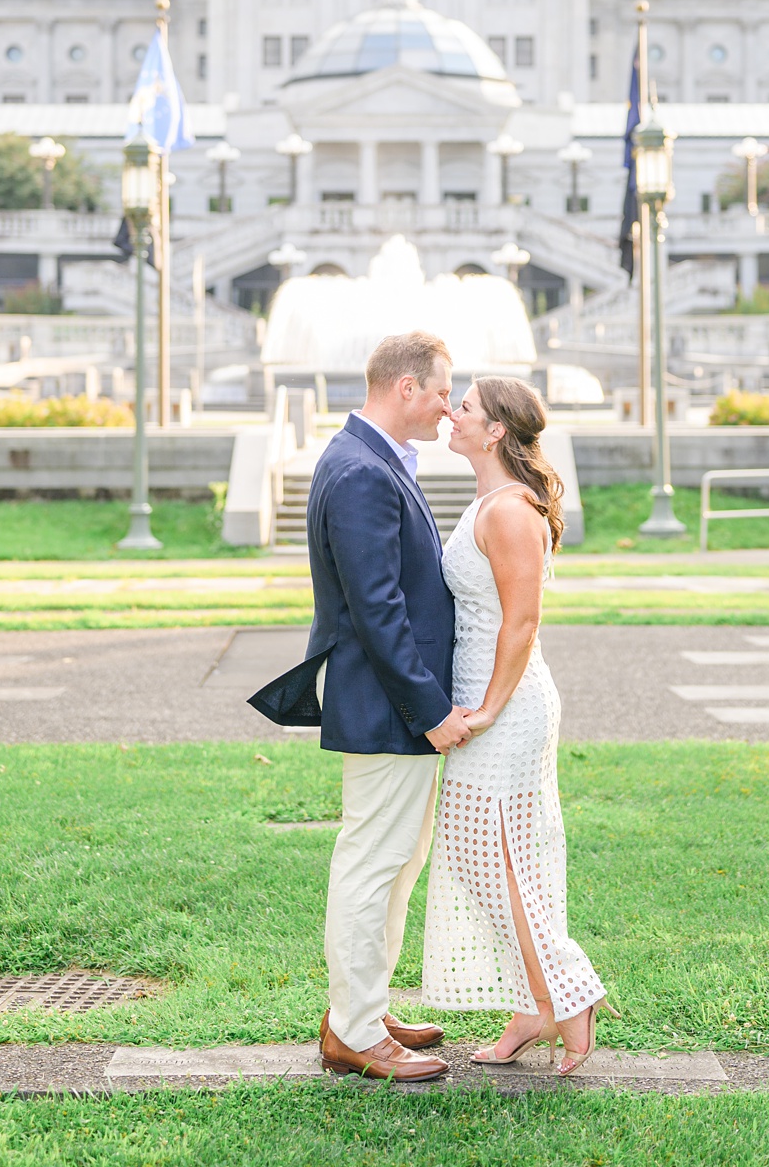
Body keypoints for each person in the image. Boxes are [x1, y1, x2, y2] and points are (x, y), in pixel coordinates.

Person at [424, 374, 613, 1074]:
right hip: (485, 700)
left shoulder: (507, 510)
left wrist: (493, 705)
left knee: (500, 862)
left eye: (464, 407)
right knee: (491, 860)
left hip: (507, 704)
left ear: (496, 430)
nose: (452, 412)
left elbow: (522, 619)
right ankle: (538, 1002)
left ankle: (568, 998)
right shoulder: (489, 500)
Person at [302, 330, 472, 1083]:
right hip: (387, 705)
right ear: (406, 388)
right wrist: (430, 709)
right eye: (441, 390)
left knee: (397, 862)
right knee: (375, 862)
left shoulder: (366, 458)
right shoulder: (362, 471)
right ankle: (355, 1030)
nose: (447, 405)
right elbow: (378, 611)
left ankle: (364, 1007)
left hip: (387, 703)